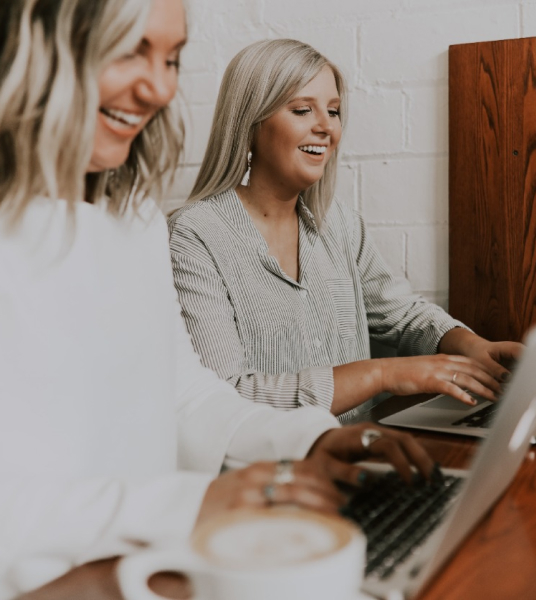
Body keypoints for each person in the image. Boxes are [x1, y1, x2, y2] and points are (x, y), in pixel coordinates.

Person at [0, 3, 434, 598]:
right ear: (40, 42)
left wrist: (306, 439)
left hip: (149, 570)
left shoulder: (133, 223)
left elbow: (187, 394)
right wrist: (191, 503)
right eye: (130, 49)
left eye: (173, 58)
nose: (158, 87)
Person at [168, 39, 523, 416]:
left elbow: (400, 314)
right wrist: (381, 374)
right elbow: (225, 397)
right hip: (273, 468)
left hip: (364, 455)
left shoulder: (338, 224)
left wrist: (472, 346)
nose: (326, 127)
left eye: (334, 111)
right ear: (250, 122)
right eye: (303, 110)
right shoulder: (193, 236)